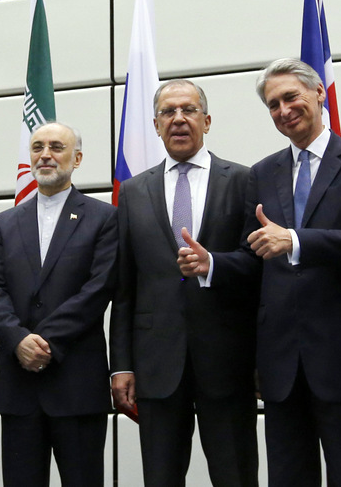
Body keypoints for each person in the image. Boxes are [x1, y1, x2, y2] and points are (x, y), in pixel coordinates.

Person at [178, 58, 341, 487]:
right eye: (273, 104)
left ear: (318, 94)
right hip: (279, 363)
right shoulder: (262, 173)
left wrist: (294, 240)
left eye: (290, 97)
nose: (283, 110)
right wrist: (213, 264)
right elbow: (254, 254)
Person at [111, 79, 260, 487]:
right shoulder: (133, 191)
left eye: (189, 110)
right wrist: (120, 365)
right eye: (168, 112)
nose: (178, 119)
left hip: (228, 360)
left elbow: (258, 268)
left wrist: (213, 265)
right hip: (156, 363)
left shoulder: (246, 181)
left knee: (236, 475)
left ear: (207, 121)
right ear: (156, 125)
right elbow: (124, 287)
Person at [0, 122, 117, 487]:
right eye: (37, 147)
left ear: (76, 158)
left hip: (76, 380)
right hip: (18, 381)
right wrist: (18, 341)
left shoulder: (104, 217)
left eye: (56, 147)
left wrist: (43, 342)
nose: (45, 155)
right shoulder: (4, 223)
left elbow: (98, 289)